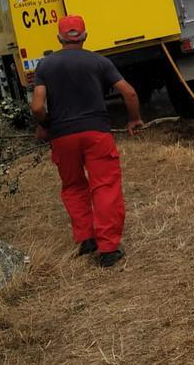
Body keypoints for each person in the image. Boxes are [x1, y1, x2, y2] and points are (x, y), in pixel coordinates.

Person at [30, 15, 143, 267]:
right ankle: (109, 250)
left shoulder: (46, 66)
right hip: (96, 134)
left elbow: (37, 106)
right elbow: (129, 92)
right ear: (84, 36)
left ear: (59, 38)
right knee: (104, 187)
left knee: (73, 186)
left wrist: (45, 126)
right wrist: (133, 119)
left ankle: (87, 239)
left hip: (63, 137)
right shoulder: (100, 62)